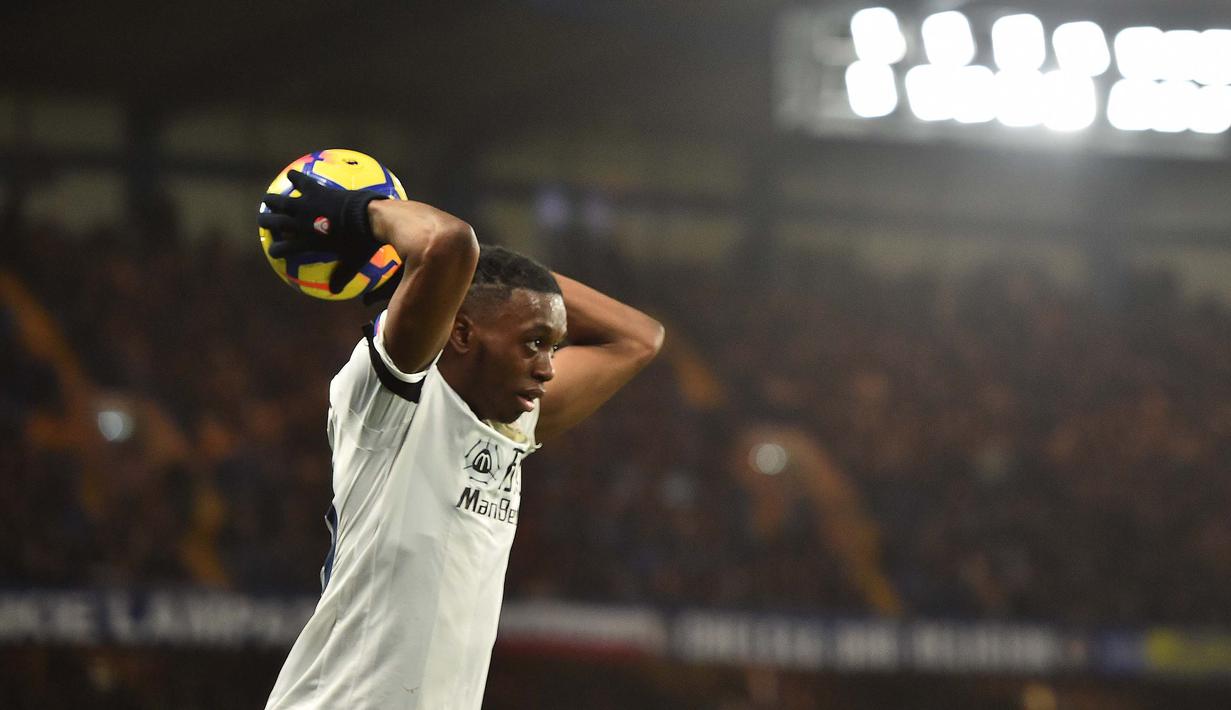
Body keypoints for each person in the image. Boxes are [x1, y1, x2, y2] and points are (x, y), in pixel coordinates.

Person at [258, 170, 664, 709]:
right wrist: (366, 215)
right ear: (464, 331)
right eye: (534, 343)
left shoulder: (509, 421)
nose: (548, 368)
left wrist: (497, 278)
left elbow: (640, 338)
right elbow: (448, 244)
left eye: (554, 347)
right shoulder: (387, 404)